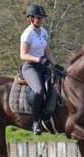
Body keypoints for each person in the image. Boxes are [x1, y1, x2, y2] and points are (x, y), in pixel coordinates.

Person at [20, 4, 63, 135]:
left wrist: (55, 64)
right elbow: (23, 55)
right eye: (37, 18)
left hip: (43, 66)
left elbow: (47, 51)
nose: (40, 20)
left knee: (58, 84)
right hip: (30, 67)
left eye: (41, 18)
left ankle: (50, 116)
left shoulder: (44, 32)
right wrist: (39, 59)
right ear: (30, 19)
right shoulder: (27, 34)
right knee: (39, 91)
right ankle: (35, 122)